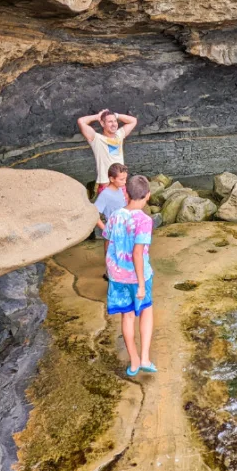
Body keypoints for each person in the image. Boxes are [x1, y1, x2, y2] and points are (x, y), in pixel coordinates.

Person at [103, 175, 156, 376]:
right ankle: (144, 358)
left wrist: (109, 266)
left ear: (126, 193)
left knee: (127, 316)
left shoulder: (115, 216)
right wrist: (142, 284)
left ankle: (133, 362)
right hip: (138, 275)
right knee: (146, 310)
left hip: (117, 275)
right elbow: (137, 253)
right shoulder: (144, 220)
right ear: (147, 195)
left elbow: (107, 240)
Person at [77, 109, 138, 194]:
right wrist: (97, 117)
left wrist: (116, 115)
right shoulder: (97, 139)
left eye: (115, 121)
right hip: (107, 185)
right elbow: (81, 121)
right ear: (102, 123)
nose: (113, 124)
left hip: (121, 184)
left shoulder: (119, 135)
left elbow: (133, 121)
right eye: (110, 122)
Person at [94, 163, 129, 279]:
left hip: (123, 227)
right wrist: (105, 229)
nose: (124, 182)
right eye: (121, 179)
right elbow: (94, 215)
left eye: (125, 179)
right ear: (111, 179)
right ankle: (109, 274)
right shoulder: (105, 195)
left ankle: (119, 272)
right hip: (111, 228)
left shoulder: (119, 190)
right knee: (110, 252)